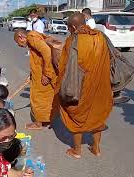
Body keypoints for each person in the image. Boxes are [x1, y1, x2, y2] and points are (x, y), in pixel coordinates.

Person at [56, 13, 113, 159]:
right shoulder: (100, 36)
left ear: (74, 26)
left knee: (76, 115)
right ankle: (96, 148)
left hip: (80, 87)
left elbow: (65, 68)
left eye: (69, 27)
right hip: (101, 86)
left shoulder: (72, 40)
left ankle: (77, 151)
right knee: (97, 115)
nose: (68, 30)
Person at [14, 30, 57, 130]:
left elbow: (47, 51)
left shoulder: (31, 38)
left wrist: (46, 73)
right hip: (41, 74)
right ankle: (46, 121)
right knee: (47, 98)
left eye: (18, 42)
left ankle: (38, 124)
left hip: (44, 75)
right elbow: (38, 59)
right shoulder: (33, 37)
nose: (19, 45)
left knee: (37, 99)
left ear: (21, 37)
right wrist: (32, 74)